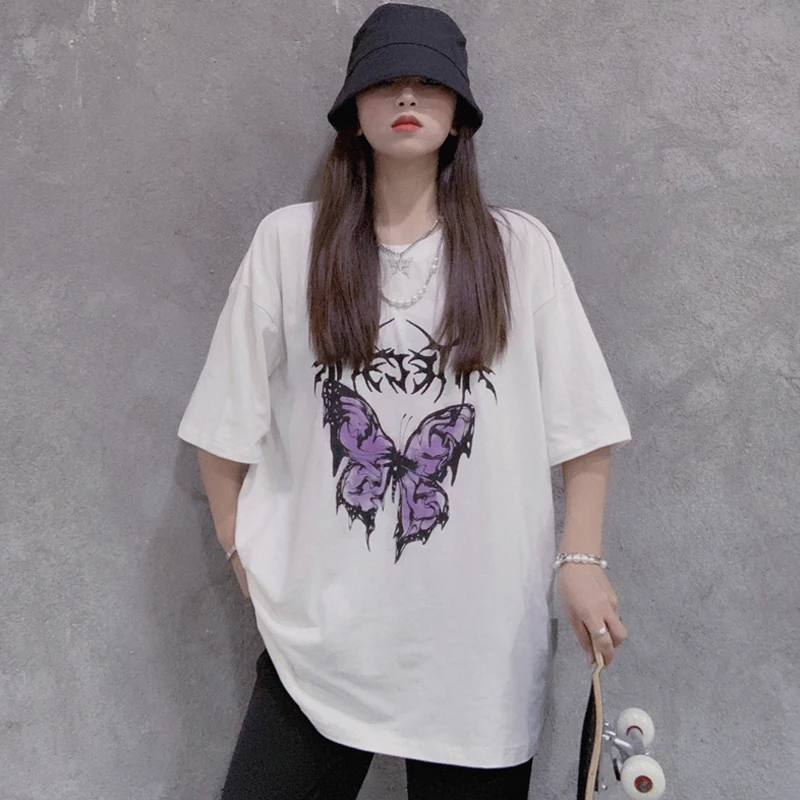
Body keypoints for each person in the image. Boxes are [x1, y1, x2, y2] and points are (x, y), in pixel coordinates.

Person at [177, 3, 632, 798]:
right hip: (321, 638)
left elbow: (583, 424)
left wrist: (581, 558)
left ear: (460, 113)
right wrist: (236, 541)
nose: (408, 96)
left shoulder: (518, 250)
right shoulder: (291, 244)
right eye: (386, 81)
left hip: (477, 645)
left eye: (430, 83)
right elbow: (225, 417)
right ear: (354, 107)